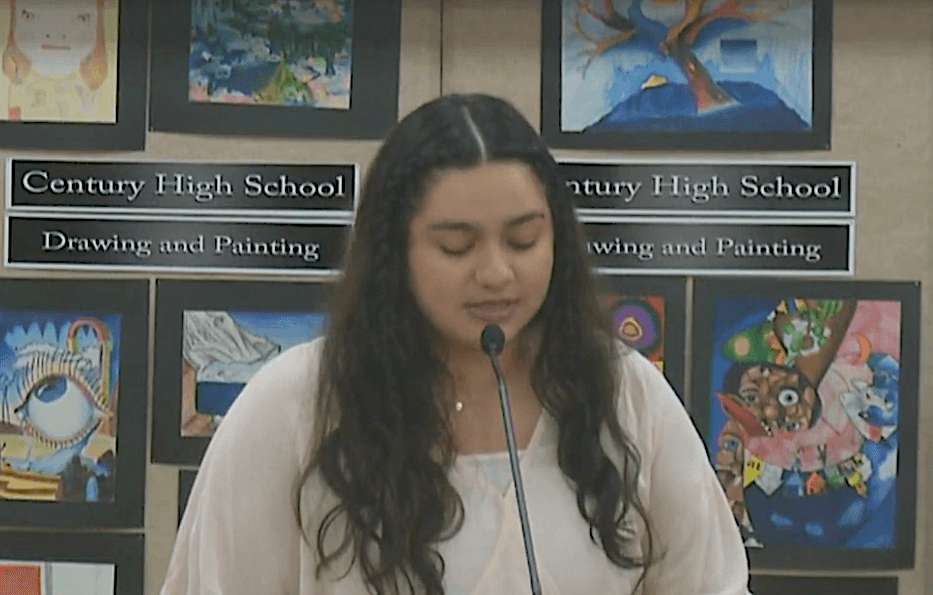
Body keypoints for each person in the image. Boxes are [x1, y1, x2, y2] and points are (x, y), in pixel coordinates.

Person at [160, 93, 751, 595]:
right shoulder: (293, 407)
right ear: (395, 255)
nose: (496, 273)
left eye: (523, 241)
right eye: (456, 247)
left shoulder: (628, 397)